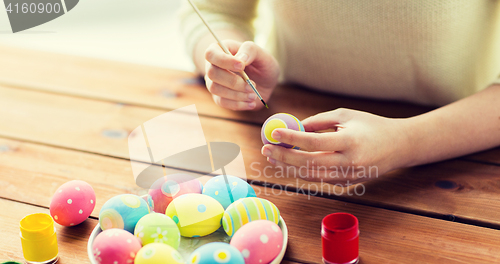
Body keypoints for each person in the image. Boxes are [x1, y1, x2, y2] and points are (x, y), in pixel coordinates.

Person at [179, 0, 500, 184]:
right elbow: (212, 11)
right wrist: (226, 59)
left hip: (460, 149)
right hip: (284, 123)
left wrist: (406, 142)